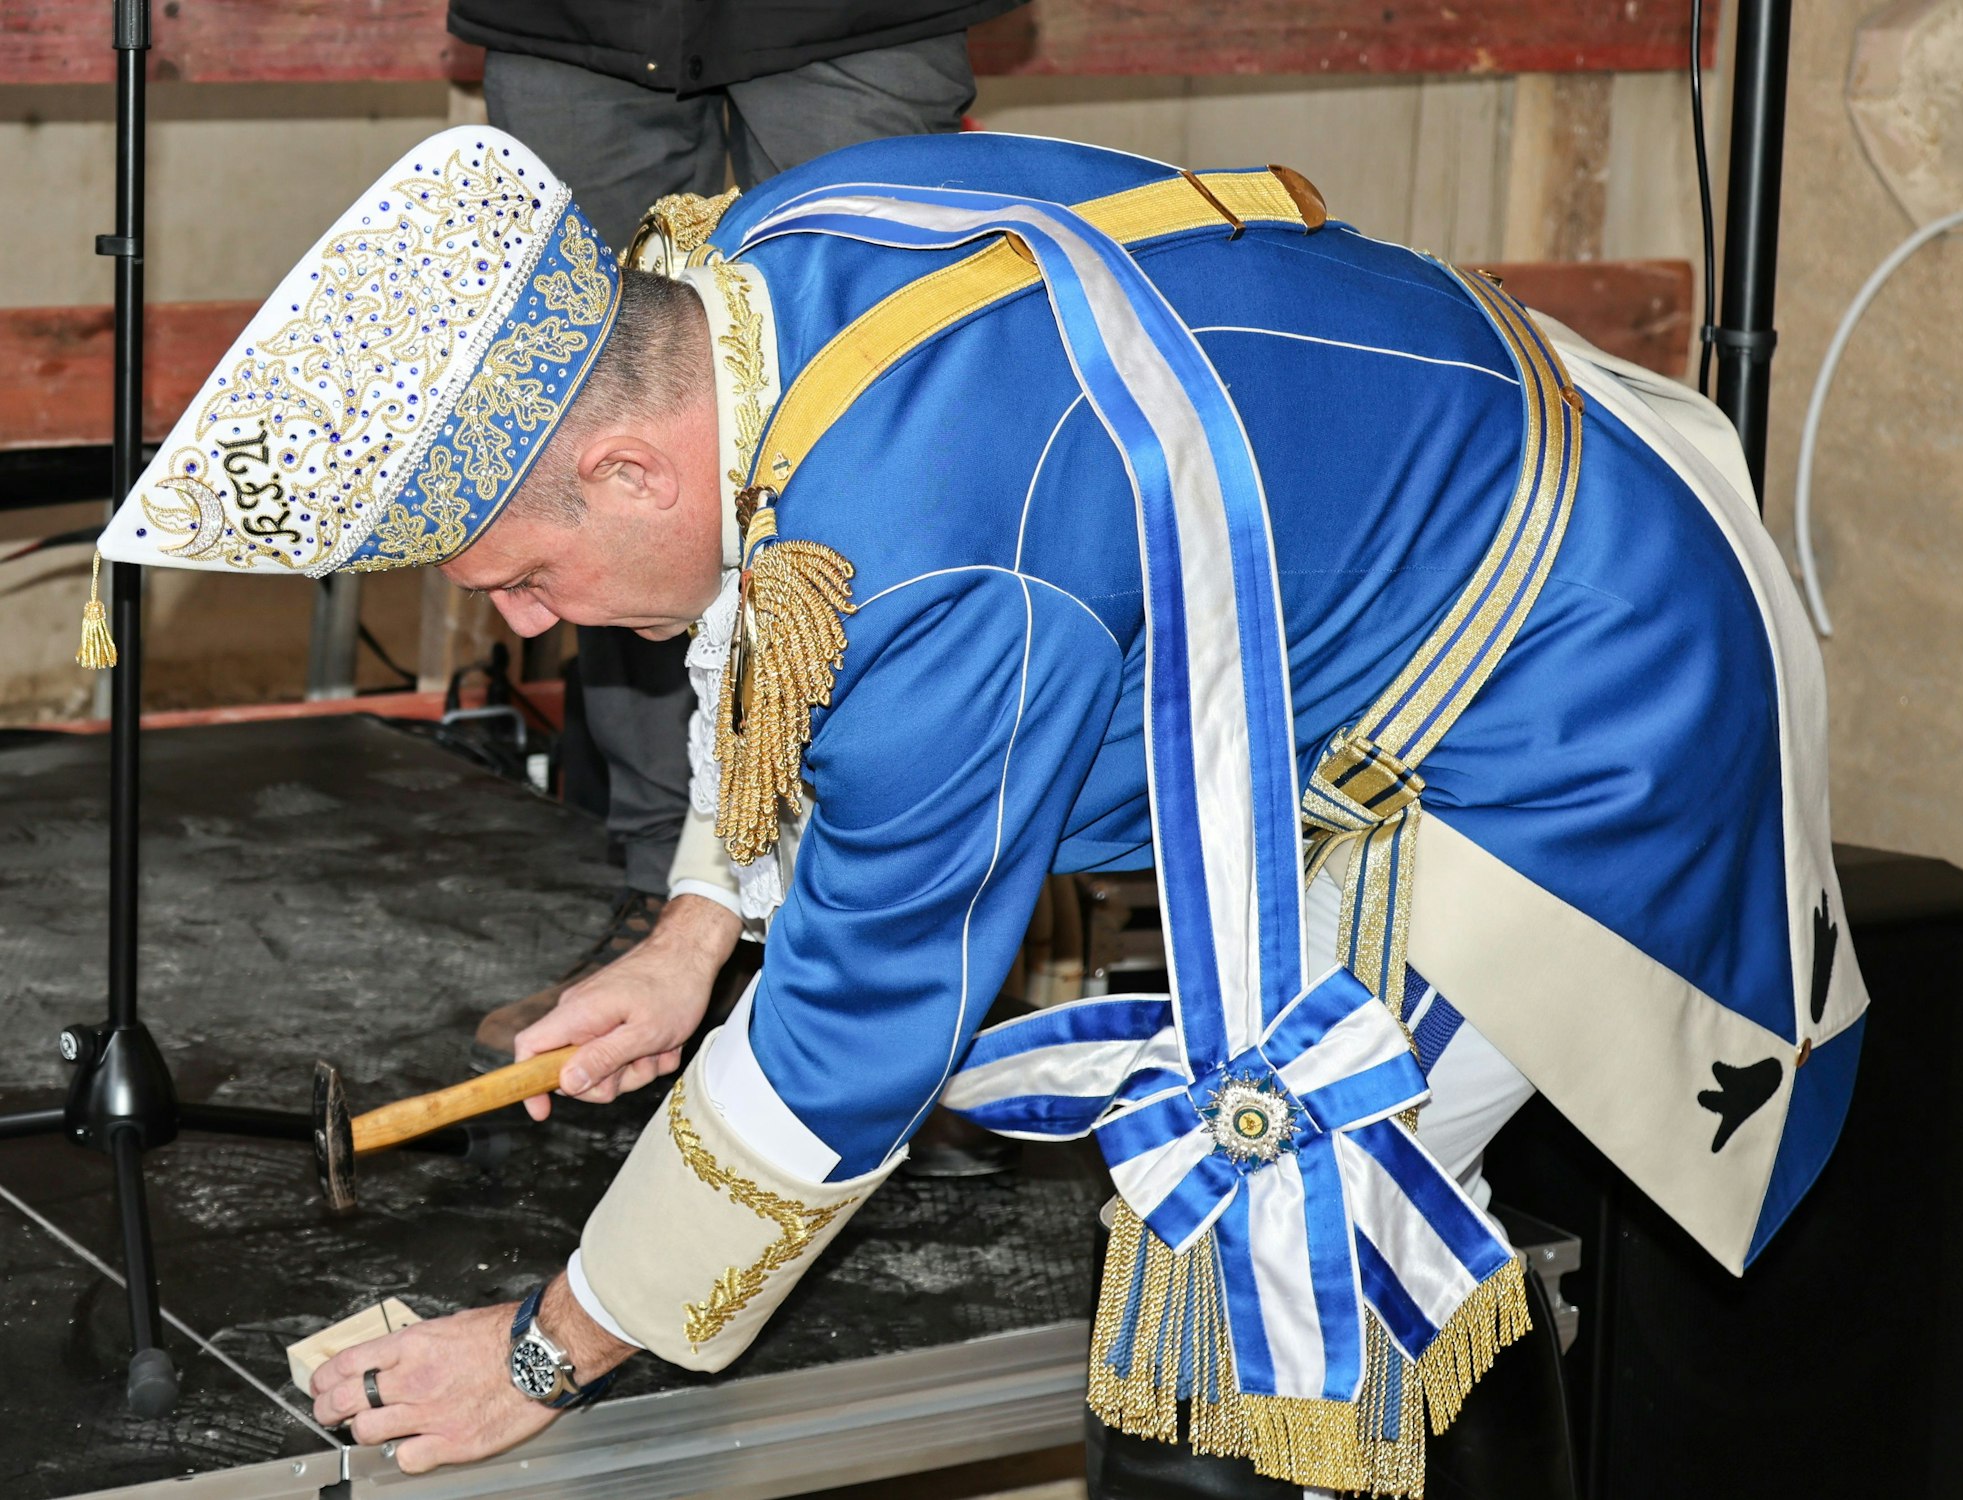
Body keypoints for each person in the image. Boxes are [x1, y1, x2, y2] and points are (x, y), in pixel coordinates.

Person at [94, 126, 1868, 1495]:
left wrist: (547, 1352)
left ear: (625, 463)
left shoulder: (938, 575)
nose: (541, 628)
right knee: (1308, 1225)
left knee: (1271, 1225)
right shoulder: (751, 277)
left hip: (1579, 685)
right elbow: (774, 607)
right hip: (1486, 482)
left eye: (526, 577)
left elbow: (850, 1043)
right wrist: (694, 935)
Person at [445, 0, 1013, 1066]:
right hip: (578, 17)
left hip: (848, 14)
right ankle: (670, 895)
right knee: (591, 467)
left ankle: (911, 940)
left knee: (896, 411)